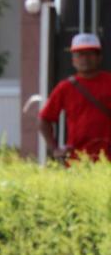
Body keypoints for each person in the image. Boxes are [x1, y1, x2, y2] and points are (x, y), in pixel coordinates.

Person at [39, 33, 111, 163]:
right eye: (79, 55)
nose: (84, 59)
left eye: (89, 54)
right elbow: (44, 120)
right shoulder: (65, 87)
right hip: (76, 160)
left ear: (99, 57)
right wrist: (54, 149)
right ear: (73, 60)